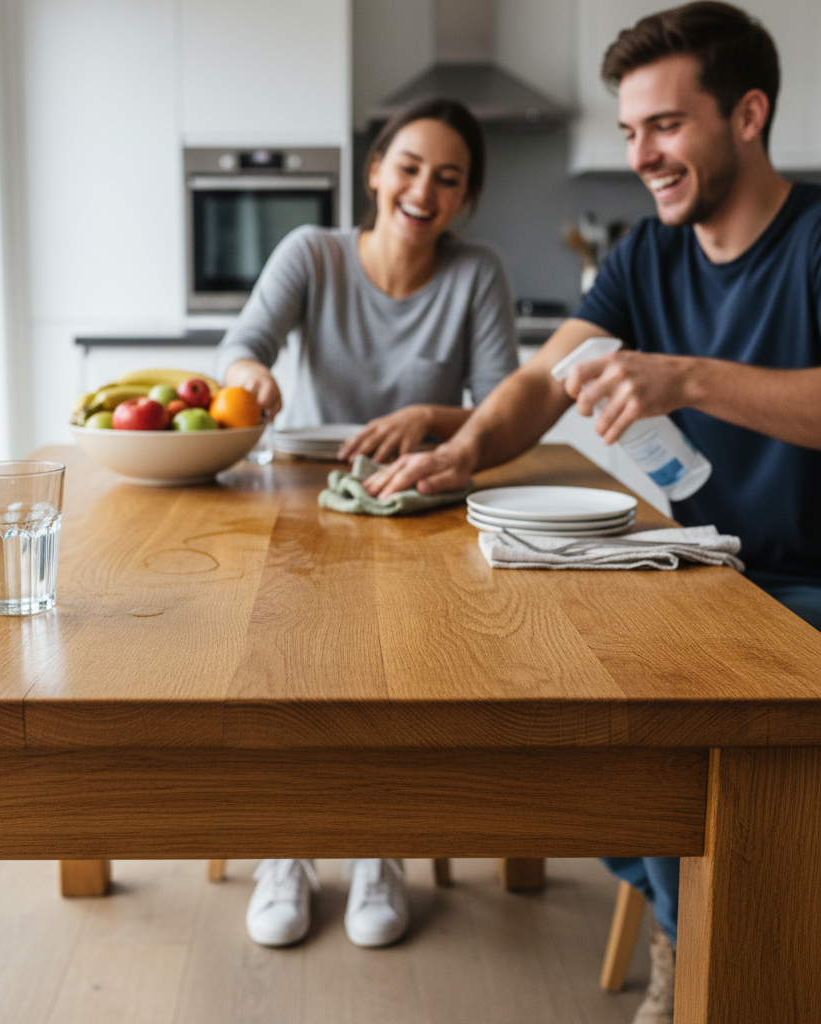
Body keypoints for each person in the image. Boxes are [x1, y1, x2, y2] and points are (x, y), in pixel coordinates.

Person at [361, 4, 821, 1022]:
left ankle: (724, 949)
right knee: (569, 719)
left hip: (807, 587)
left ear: (747, 115)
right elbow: (541, 380)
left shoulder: (816, 242)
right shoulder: (643, 259)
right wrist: (460, 451)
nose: (642, 154)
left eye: (663, 124)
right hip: (705, 569)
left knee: (682, 743)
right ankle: (684, 915)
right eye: (627, 131)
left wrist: (692, 378)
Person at [214, 97, 519, 948]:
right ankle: (289, 847)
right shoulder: (311, 254)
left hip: (421, 507)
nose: (425, 188)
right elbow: (241, 345)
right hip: (307, 503)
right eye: (411, 166)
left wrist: (430, 412)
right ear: (376, 170)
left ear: (464, 199)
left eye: (449, 178)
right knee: (288, 662)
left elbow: (501, 412)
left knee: (406, 664)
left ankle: (380, 845)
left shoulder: (477, 273)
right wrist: (252, 375)